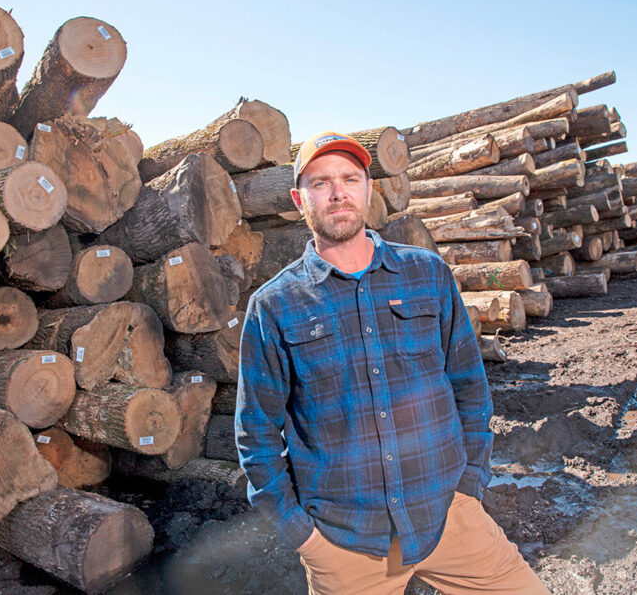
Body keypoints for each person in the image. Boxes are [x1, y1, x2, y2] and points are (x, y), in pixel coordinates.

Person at [235, 131, 550, 594]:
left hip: (448, 515)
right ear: (298, 200)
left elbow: (469, 386)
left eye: (350, 178)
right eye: (321, 183)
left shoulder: (428, 274)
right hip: (345, 543)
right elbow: (255, 433)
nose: (338, 191)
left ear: (369, 189)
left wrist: (470, 484)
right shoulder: (274, 306)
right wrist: (304, 536)